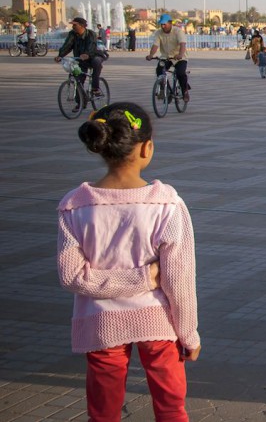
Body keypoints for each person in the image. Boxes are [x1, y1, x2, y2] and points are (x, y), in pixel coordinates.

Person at [57, 102, 200, 421]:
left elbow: (71, 277)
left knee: (103, 412)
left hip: (100, 322)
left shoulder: (75, 206)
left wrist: (129, 280)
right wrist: (189, 334)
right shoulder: (166, 204)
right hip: (158, 322)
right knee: (170, 408)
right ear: (147, 148)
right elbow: (179, 281)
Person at [54, 17, 106, 97]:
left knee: (96, 62)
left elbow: (91, 46)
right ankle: (80, 103)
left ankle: (95, 88)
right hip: (80, 59)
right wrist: (60, 55)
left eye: (75, 25)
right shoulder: (72, 34)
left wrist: (87, 54)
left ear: (82, 26)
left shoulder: (91, 34)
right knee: (78, 80)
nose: (73, 27)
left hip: (94, 55)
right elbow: (68, 45)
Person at [146, 14, 191, 101]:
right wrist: (151, 55)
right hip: (166, 57)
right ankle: (166, 90)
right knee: (159, 70)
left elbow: (182, 44)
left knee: (180, 73)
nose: (163, 26)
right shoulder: (159, 33)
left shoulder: (178, 31)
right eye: (161, 24)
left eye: (164, 24)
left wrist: (180, 55)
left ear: (170, 23)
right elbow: (155, 45)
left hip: (179, 57)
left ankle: (185, 91)